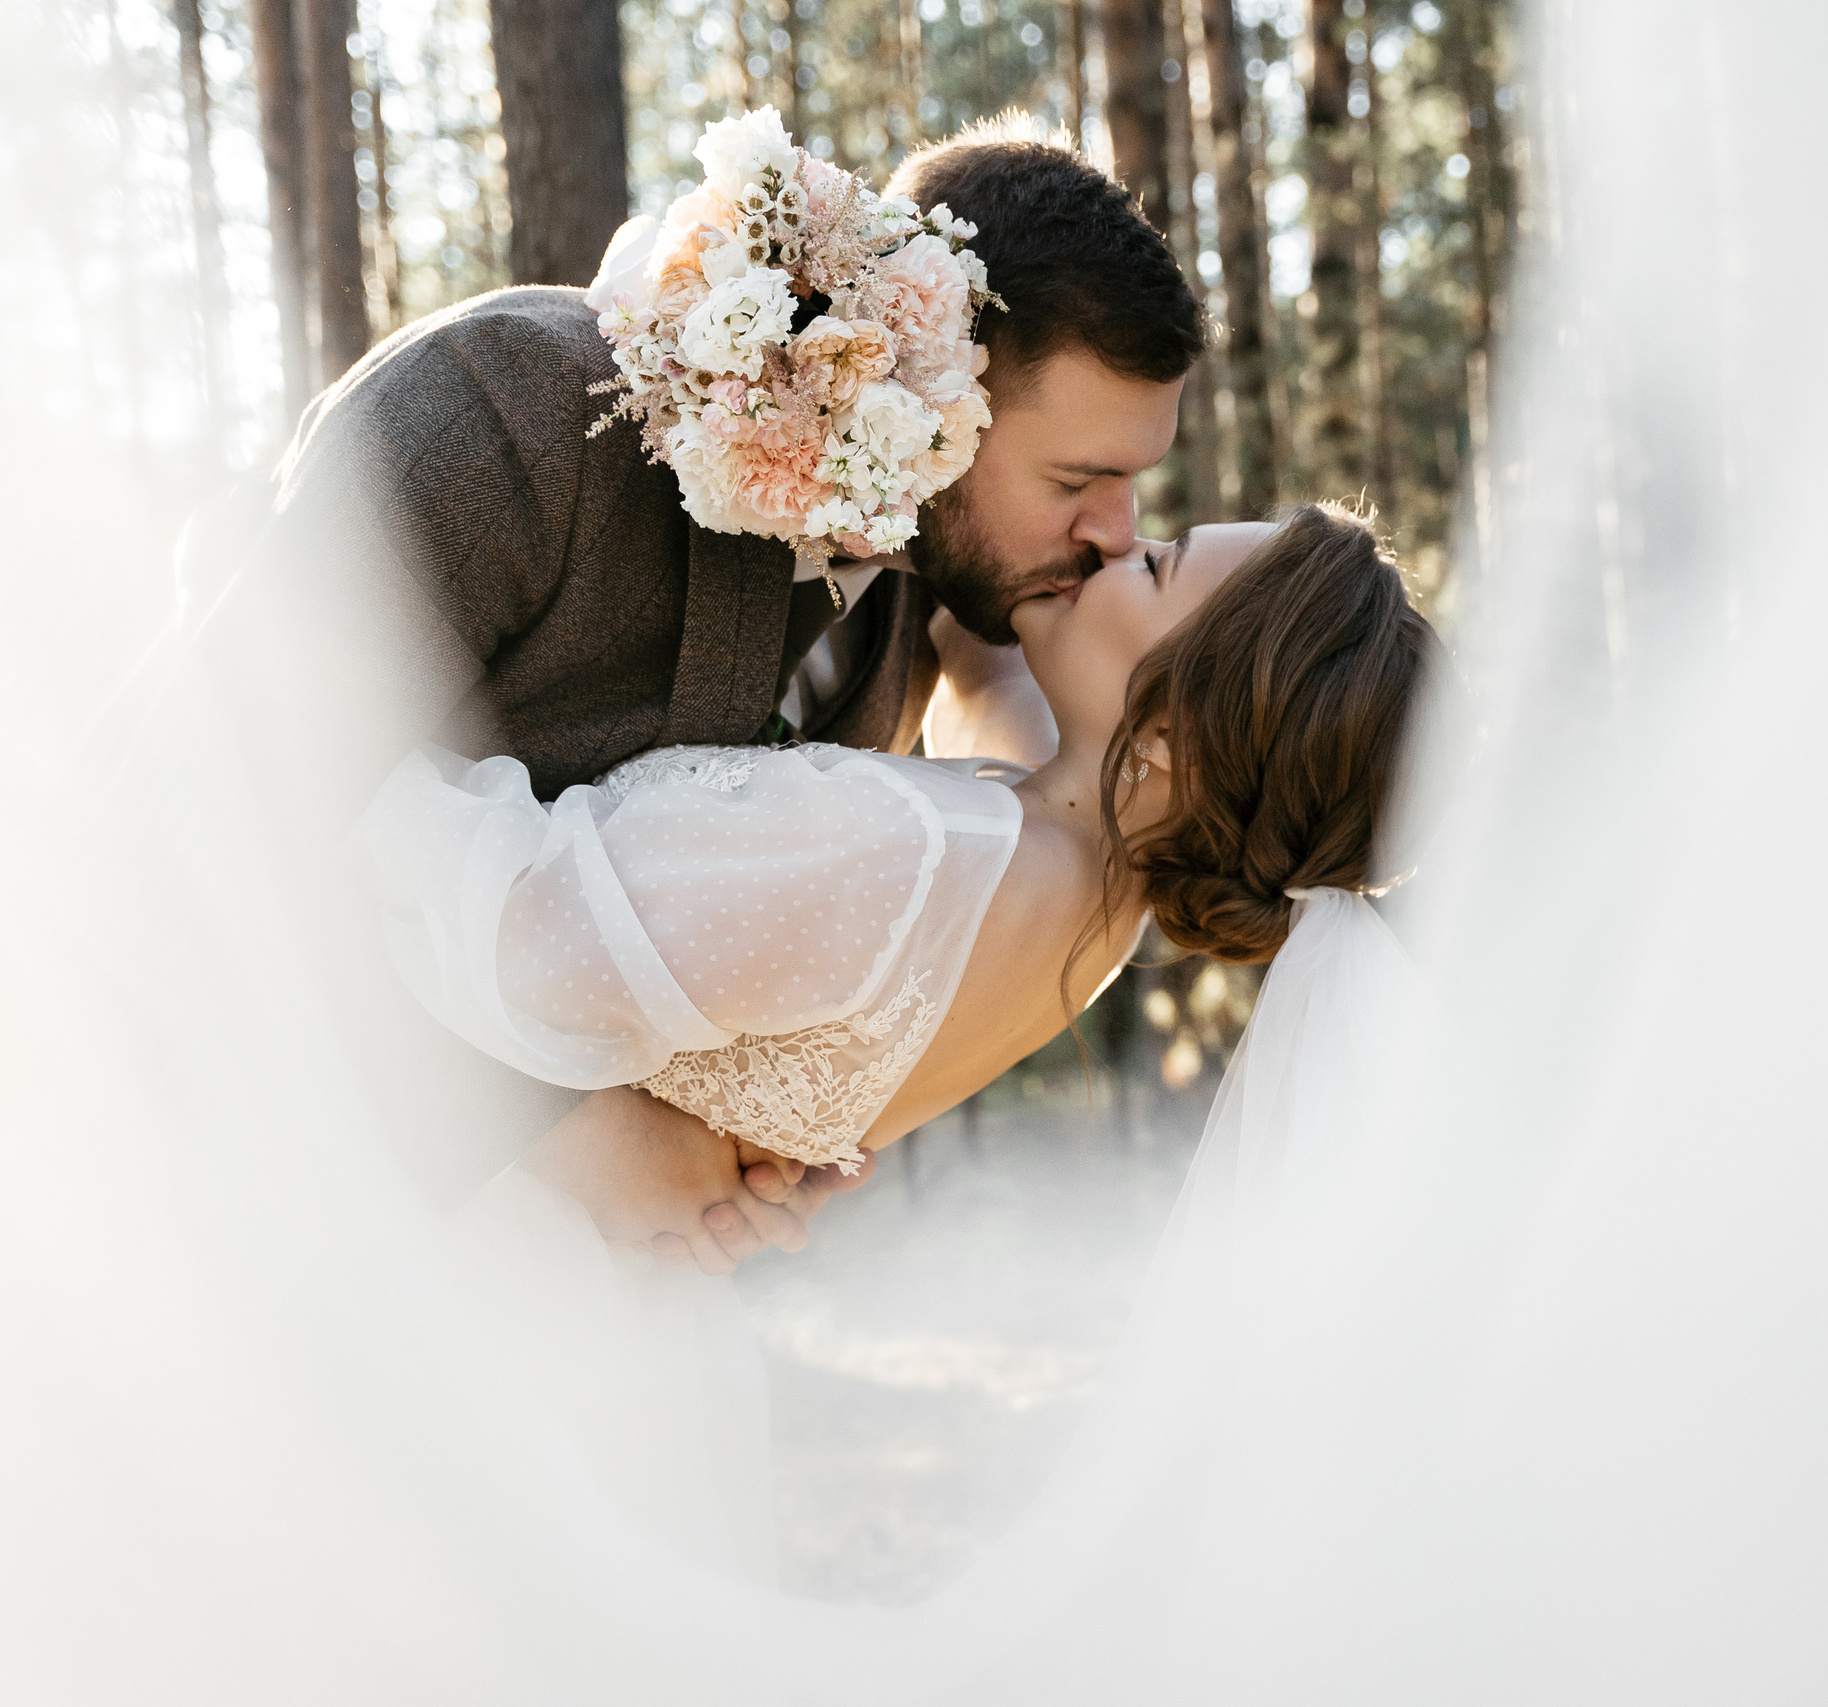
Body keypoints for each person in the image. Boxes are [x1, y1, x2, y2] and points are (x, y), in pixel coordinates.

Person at [202, 118, 1207, 1230]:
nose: (1116, 533)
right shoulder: (509, 409)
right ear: (927, 377)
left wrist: (760, 1137)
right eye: (1081, 476)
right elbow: (219, 795)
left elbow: (1029, 821)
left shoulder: (934, 589)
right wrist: (548, 1134)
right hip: (221, 1179)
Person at [361, 506, 1440, 1277]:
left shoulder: (903, 850)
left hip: (421, 1198)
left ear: (1166, 736)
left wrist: (310, 675)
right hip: (583, 1285)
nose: (1114, 537)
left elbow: (503, 928)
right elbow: (990, 672)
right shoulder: (1098, 910)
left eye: (1156, 566)